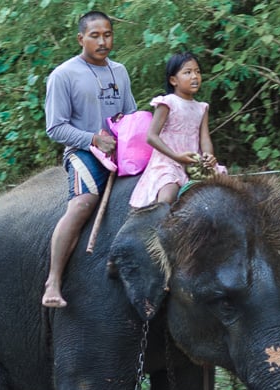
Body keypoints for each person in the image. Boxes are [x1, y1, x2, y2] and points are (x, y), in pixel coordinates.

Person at [42, 10, 137, 308]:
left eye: (107, 34)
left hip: (121, 152)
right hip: (83, 152)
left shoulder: (119, 71)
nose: (102, 41)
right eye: (94, 35)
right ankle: (53, 281)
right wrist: (93, 139)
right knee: (82, 204)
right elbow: (55, 127)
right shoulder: (63, 75)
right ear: (80, 38)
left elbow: (130, 115)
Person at [128, 52, 222, 208]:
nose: (195, 76)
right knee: (168, 195)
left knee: (224, 190)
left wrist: (208, 156)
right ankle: (155, 230)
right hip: (168, 162)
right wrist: (177, 157)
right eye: (188, 72)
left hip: (194, 164)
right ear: (173, 80)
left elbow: (204, 138)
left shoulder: (201, 108)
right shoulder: (167, 102)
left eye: (197, 72)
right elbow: (151, 136)